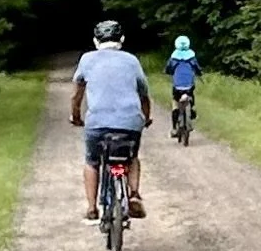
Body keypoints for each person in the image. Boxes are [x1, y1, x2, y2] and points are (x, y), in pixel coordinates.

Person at [70, 20, 152, 221]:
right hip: (130, 122)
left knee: (92, 161)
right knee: (131, 157)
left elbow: (77, 95)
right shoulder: (132, 61)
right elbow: (144, 95)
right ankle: (133, 194)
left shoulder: (87, 59)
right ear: (121, 39)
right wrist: (146, 118)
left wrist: (76, 116)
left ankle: (91, 208)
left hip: (97, 122)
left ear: (95, 40)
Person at [166, 34, 200, 120]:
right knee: (191, 93)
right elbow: (197, 68)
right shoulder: (192, 57)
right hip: (189, 85)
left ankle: (174, 127)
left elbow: (168, 68)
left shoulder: (173, 58)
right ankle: (192, 108)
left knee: (175, 100)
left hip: (177, 86)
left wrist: (168, 72)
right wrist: (199, 73)